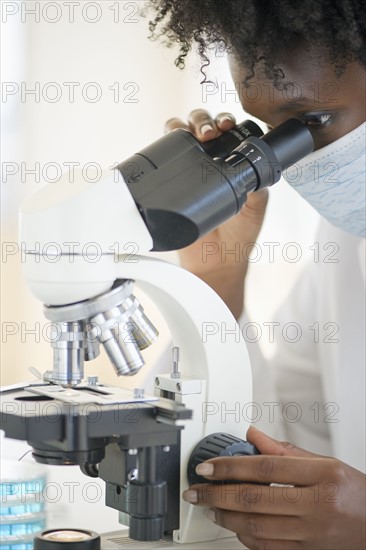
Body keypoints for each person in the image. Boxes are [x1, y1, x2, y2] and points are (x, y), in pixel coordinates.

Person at [148, 1, 366, 549]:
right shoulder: (345, 244)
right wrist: (215, 286)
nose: (288, 157)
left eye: (312, 121)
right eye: (271, 128)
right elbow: (285, 447)